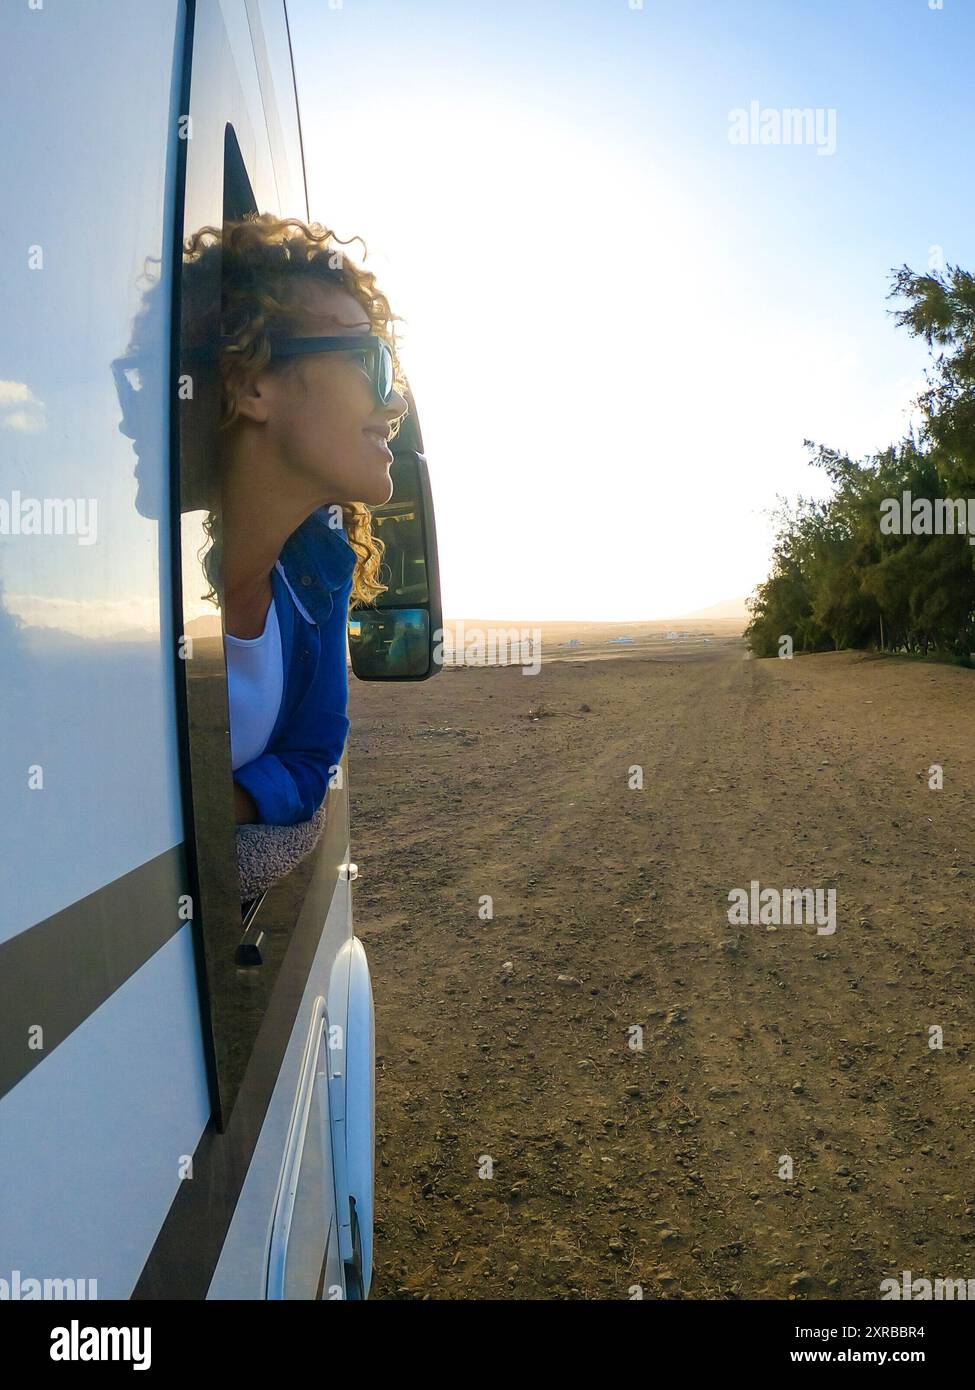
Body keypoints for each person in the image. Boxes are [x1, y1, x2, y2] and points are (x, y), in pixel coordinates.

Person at [184, 213, 409, 828]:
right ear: (254, 385)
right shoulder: (125, 584)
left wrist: (200, 813)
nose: (394, 402)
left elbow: (313, 761)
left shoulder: (322, 573)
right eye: (371, 363)